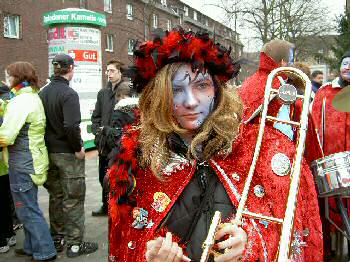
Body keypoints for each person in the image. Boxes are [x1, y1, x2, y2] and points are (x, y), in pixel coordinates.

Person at [107, 28, 323, 262]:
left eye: (201, 86)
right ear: (159, 96)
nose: (191, 102)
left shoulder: (259, 148)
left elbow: (296, 233)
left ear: (217, 91)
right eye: (177, 90)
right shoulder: (137, 160)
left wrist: (252, 245)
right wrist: (151, 257)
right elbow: (125, 245)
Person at [39, 54, 98, 258]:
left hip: (49, 153)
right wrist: (78, 149)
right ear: (71, 68)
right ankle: (74, 245)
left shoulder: (43, 93)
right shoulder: (69, 94)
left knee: (56, 197)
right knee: (73, 198)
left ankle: (57, 238)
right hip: (66, 154)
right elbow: (71, 126)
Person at [0, 62, 56, 261]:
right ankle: (33, 247)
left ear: (17, 77)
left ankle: (45, 250)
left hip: (23, 162)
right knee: (28, 206)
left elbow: (6, 136)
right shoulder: (32, 96)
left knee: (27, 210)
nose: (7, 80)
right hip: (33, 159)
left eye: (8, 76)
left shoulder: (20, 101)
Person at [238, 39, 322, 165]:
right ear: (283, 62)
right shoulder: (278, 87)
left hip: (244, 156)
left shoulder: (249, 82)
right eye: (291, 61)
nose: (292, 65)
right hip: (271, 160)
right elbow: (284, 132)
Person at [311, 50, 350, 260]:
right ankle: (330, 250)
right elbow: (314, 125)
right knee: (330, 211)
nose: (348, 67)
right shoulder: (325, 92)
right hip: (331, 164)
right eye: (345, 63)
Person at [91, 59, 126, 216]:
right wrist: (97, 131)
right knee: (102, 176)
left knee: (118, 177)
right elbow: (96, 116)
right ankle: (106, 205)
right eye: (107, 71)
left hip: (119, 144)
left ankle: (117, 207)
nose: (109, 74)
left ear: (120, 72)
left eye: (112, 71)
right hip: (104, 143)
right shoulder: (103, 93)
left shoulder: (126, 91)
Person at [0, 83, 16, 254]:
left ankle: (2, 239)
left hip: (3, 164)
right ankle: (9, 234)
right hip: (5, 164)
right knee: (5, 201)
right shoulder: (7, 105)